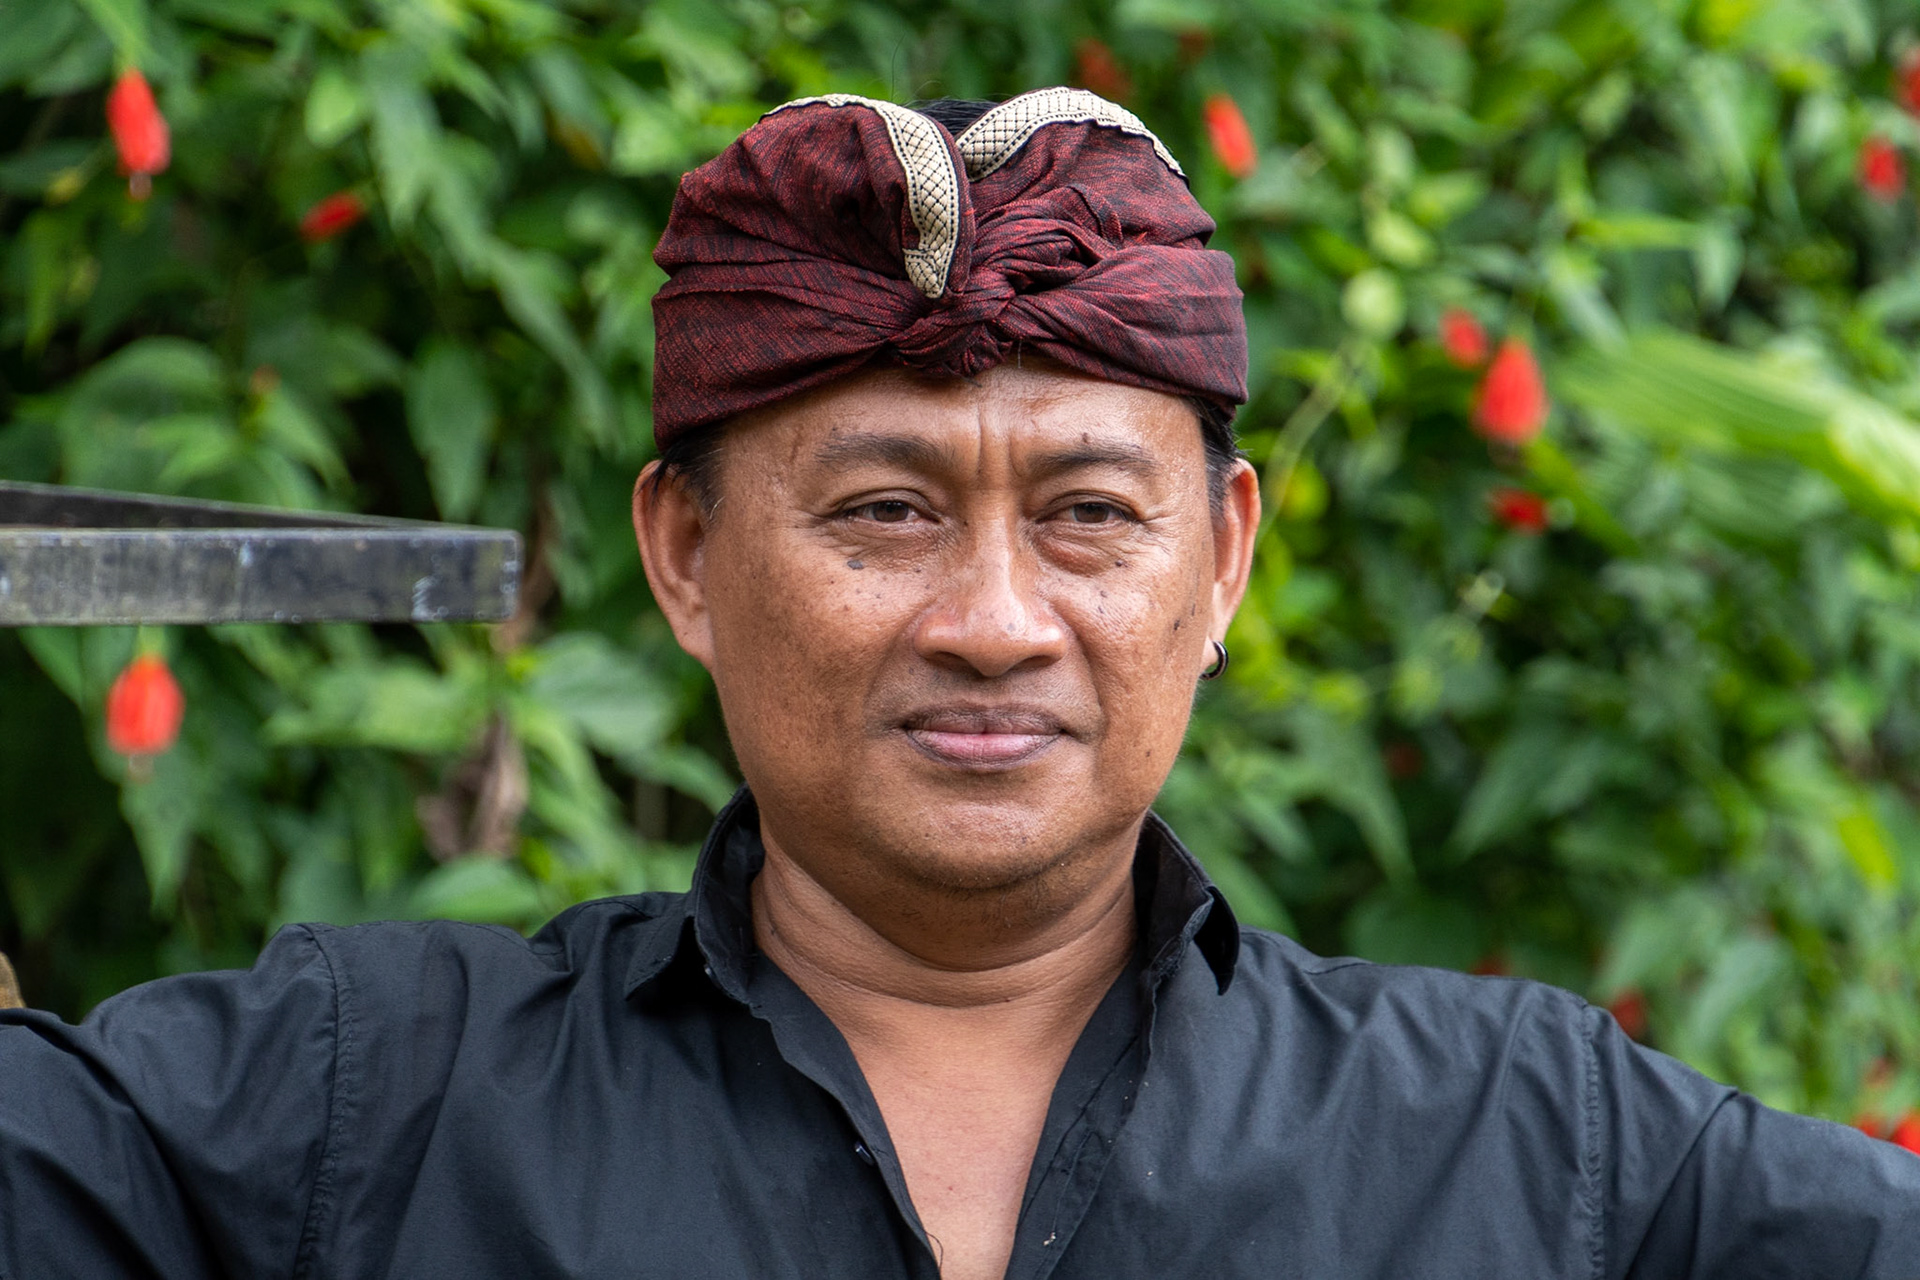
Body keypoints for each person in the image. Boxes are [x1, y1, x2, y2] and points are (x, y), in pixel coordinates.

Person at [2, 87, 1916, 1280]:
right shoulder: (354, 1108)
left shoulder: (1532, 1153)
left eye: (1089, 512)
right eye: (887, 510)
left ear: (1224, 557)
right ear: (683, 555)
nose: (995, 619)